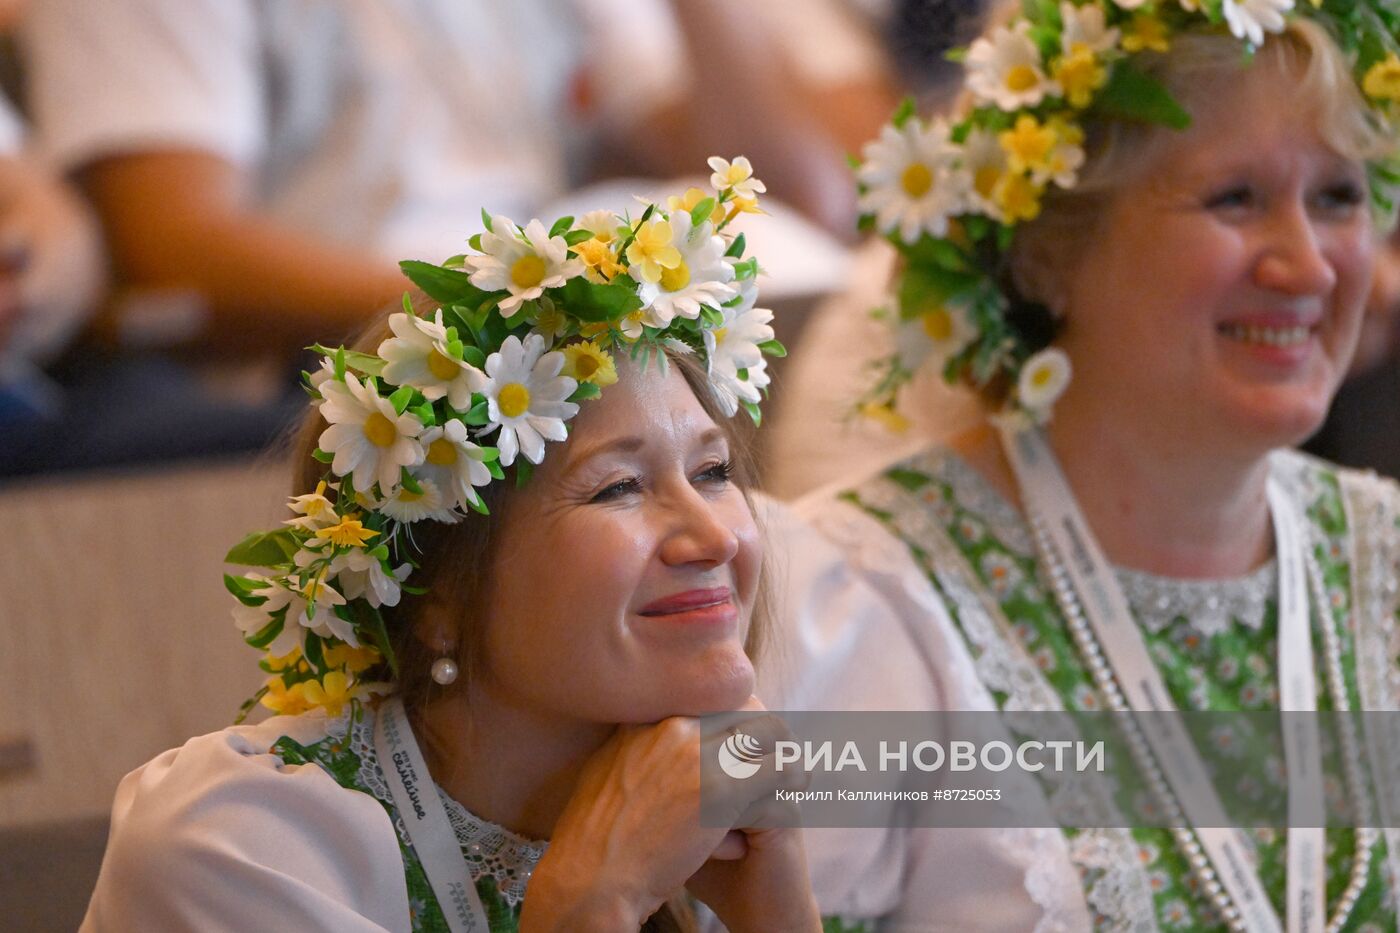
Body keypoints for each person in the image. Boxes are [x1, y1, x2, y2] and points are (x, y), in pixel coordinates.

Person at [768, 0, 1400, 927]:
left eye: (1338, 197)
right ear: (1048, 254)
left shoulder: (1384, 563)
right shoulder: (867, 608)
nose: (1307, 265)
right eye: (1235, 197)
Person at [79, 168, 834, 931]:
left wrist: (779, 916)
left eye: (712, 471)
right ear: (436, 594)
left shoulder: (721, 801)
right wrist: (592, 903)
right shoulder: (242, 848)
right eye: (617, 488)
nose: (714, 535)